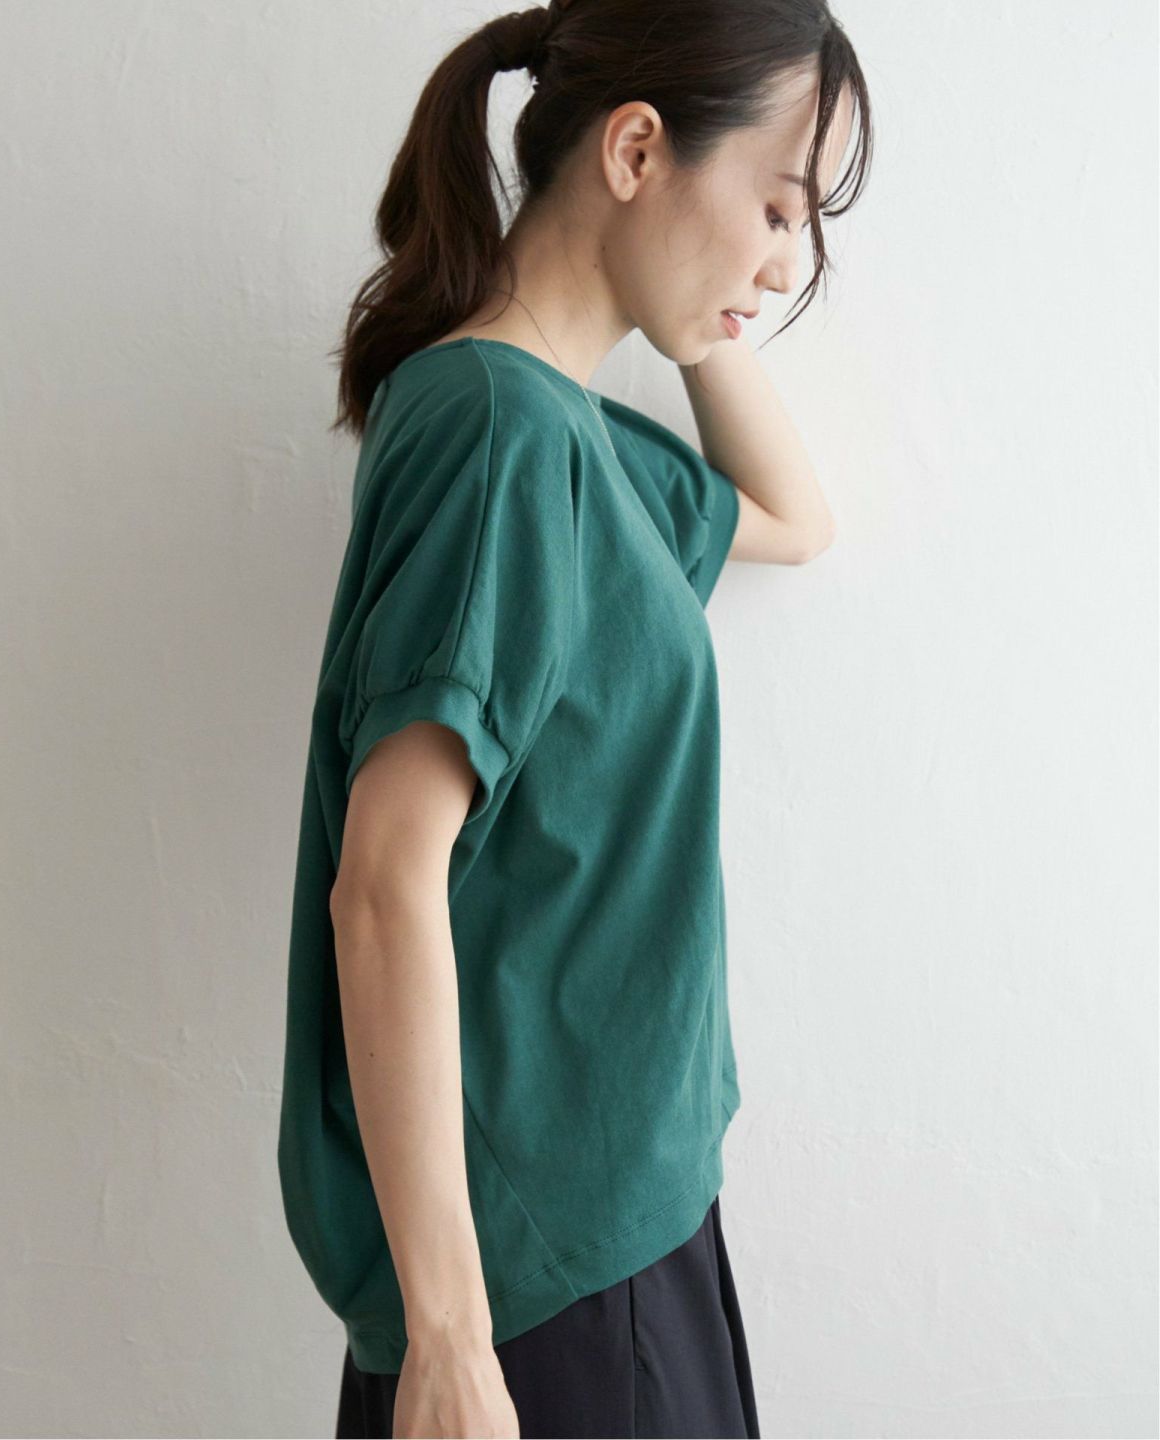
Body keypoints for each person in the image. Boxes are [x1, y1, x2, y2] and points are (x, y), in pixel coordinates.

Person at [277, 1, 872, 1435]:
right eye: (778, 207)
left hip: (615, 1234)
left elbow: (796, 517)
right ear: (635, 148)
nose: (786, 264)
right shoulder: (500, 438)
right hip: (539, 1293)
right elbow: (383, 885)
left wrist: (699, 299)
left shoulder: (574, 442)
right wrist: (448, 1338)